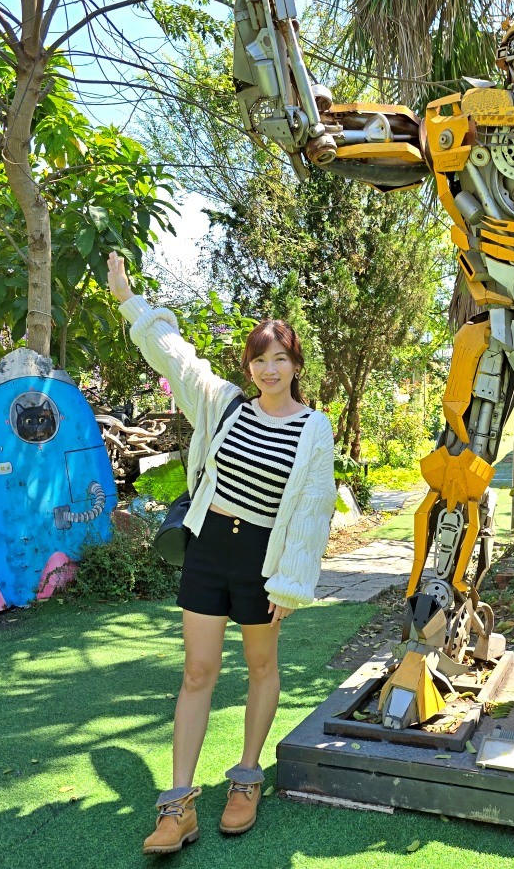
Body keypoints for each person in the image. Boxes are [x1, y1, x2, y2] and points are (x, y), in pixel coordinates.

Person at [106, 253, 337, 853]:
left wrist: (290, 585)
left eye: (279, 358)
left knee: (261, 667)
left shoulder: (315, 427)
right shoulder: (225, 403)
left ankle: (246, 777)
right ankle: (178, 805)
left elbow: (314, 509)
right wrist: (131, 300)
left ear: (295, 364)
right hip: (209, 547)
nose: (268, 369)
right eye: (259, 359)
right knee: (197, 672)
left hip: (263, 560)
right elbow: (177, 357)